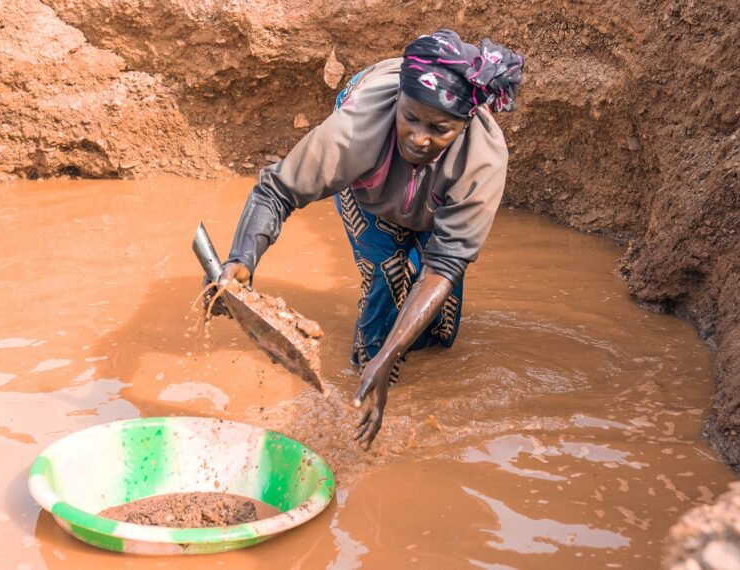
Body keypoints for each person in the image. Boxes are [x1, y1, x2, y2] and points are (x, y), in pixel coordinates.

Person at [210, 29, 524, 449]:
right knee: (386, 273)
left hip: (437, 198)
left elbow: (447, 263)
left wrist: (394, 354)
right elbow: (278, 191)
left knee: (440, 320)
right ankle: (365, 377)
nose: (419, 136)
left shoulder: (482, 161)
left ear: (464, 126)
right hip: (369, 186)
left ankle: (405, 366)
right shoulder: (357, 127)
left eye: (439, 129)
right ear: (398, 101)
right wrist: (241, 261)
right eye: (410, 117)